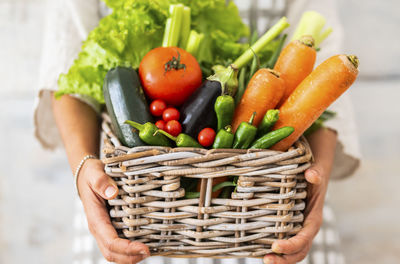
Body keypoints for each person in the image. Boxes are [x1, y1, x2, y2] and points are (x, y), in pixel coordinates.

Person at [35, 0, 361, 263]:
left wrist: (317, 184)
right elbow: (66, 76)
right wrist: (83, 168)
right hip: (129, 201)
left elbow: (324, 92)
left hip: (270, 212)